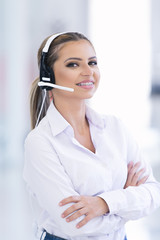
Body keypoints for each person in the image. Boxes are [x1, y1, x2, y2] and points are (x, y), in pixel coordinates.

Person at [23, 31, 160, 240]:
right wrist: (125, 203)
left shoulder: (115, 127)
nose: (88, 71)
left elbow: (152, 194)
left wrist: (103, 204)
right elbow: (76, 225)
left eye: (92, 62)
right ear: (48, 75)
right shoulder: (40, 143)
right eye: (73, 64)